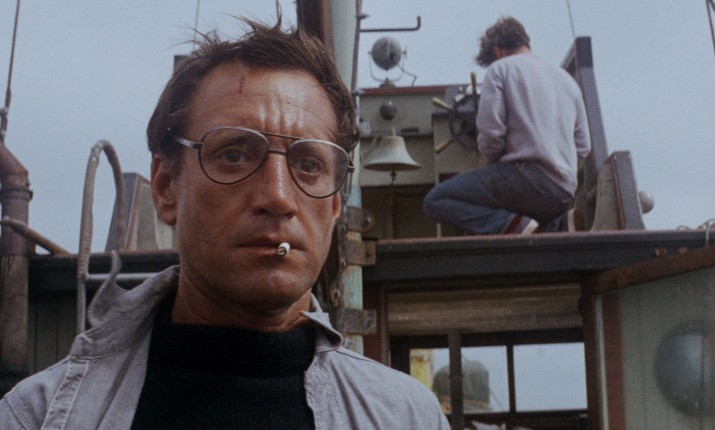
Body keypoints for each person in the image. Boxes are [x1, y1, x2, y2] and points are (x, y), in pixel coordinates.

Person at [0, 18, 449, 429]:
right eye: (234, 155)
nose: (278, 196)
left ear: (334, 204)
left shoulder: (408, 417)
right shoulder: (35, 417)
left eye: (309, 164)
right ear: (166, 187)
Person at [423, 17, 591, 234]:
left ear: (497, 51)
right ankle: (557, 225)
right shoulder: (567, 81)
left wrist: (495, 167)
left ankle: (508, 225)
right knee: (530, 218)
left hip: (524, 182)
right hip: (563, 193)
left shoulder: (500, 69)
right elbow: (583, 147)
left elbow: (491, 134)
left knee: (435, 200)